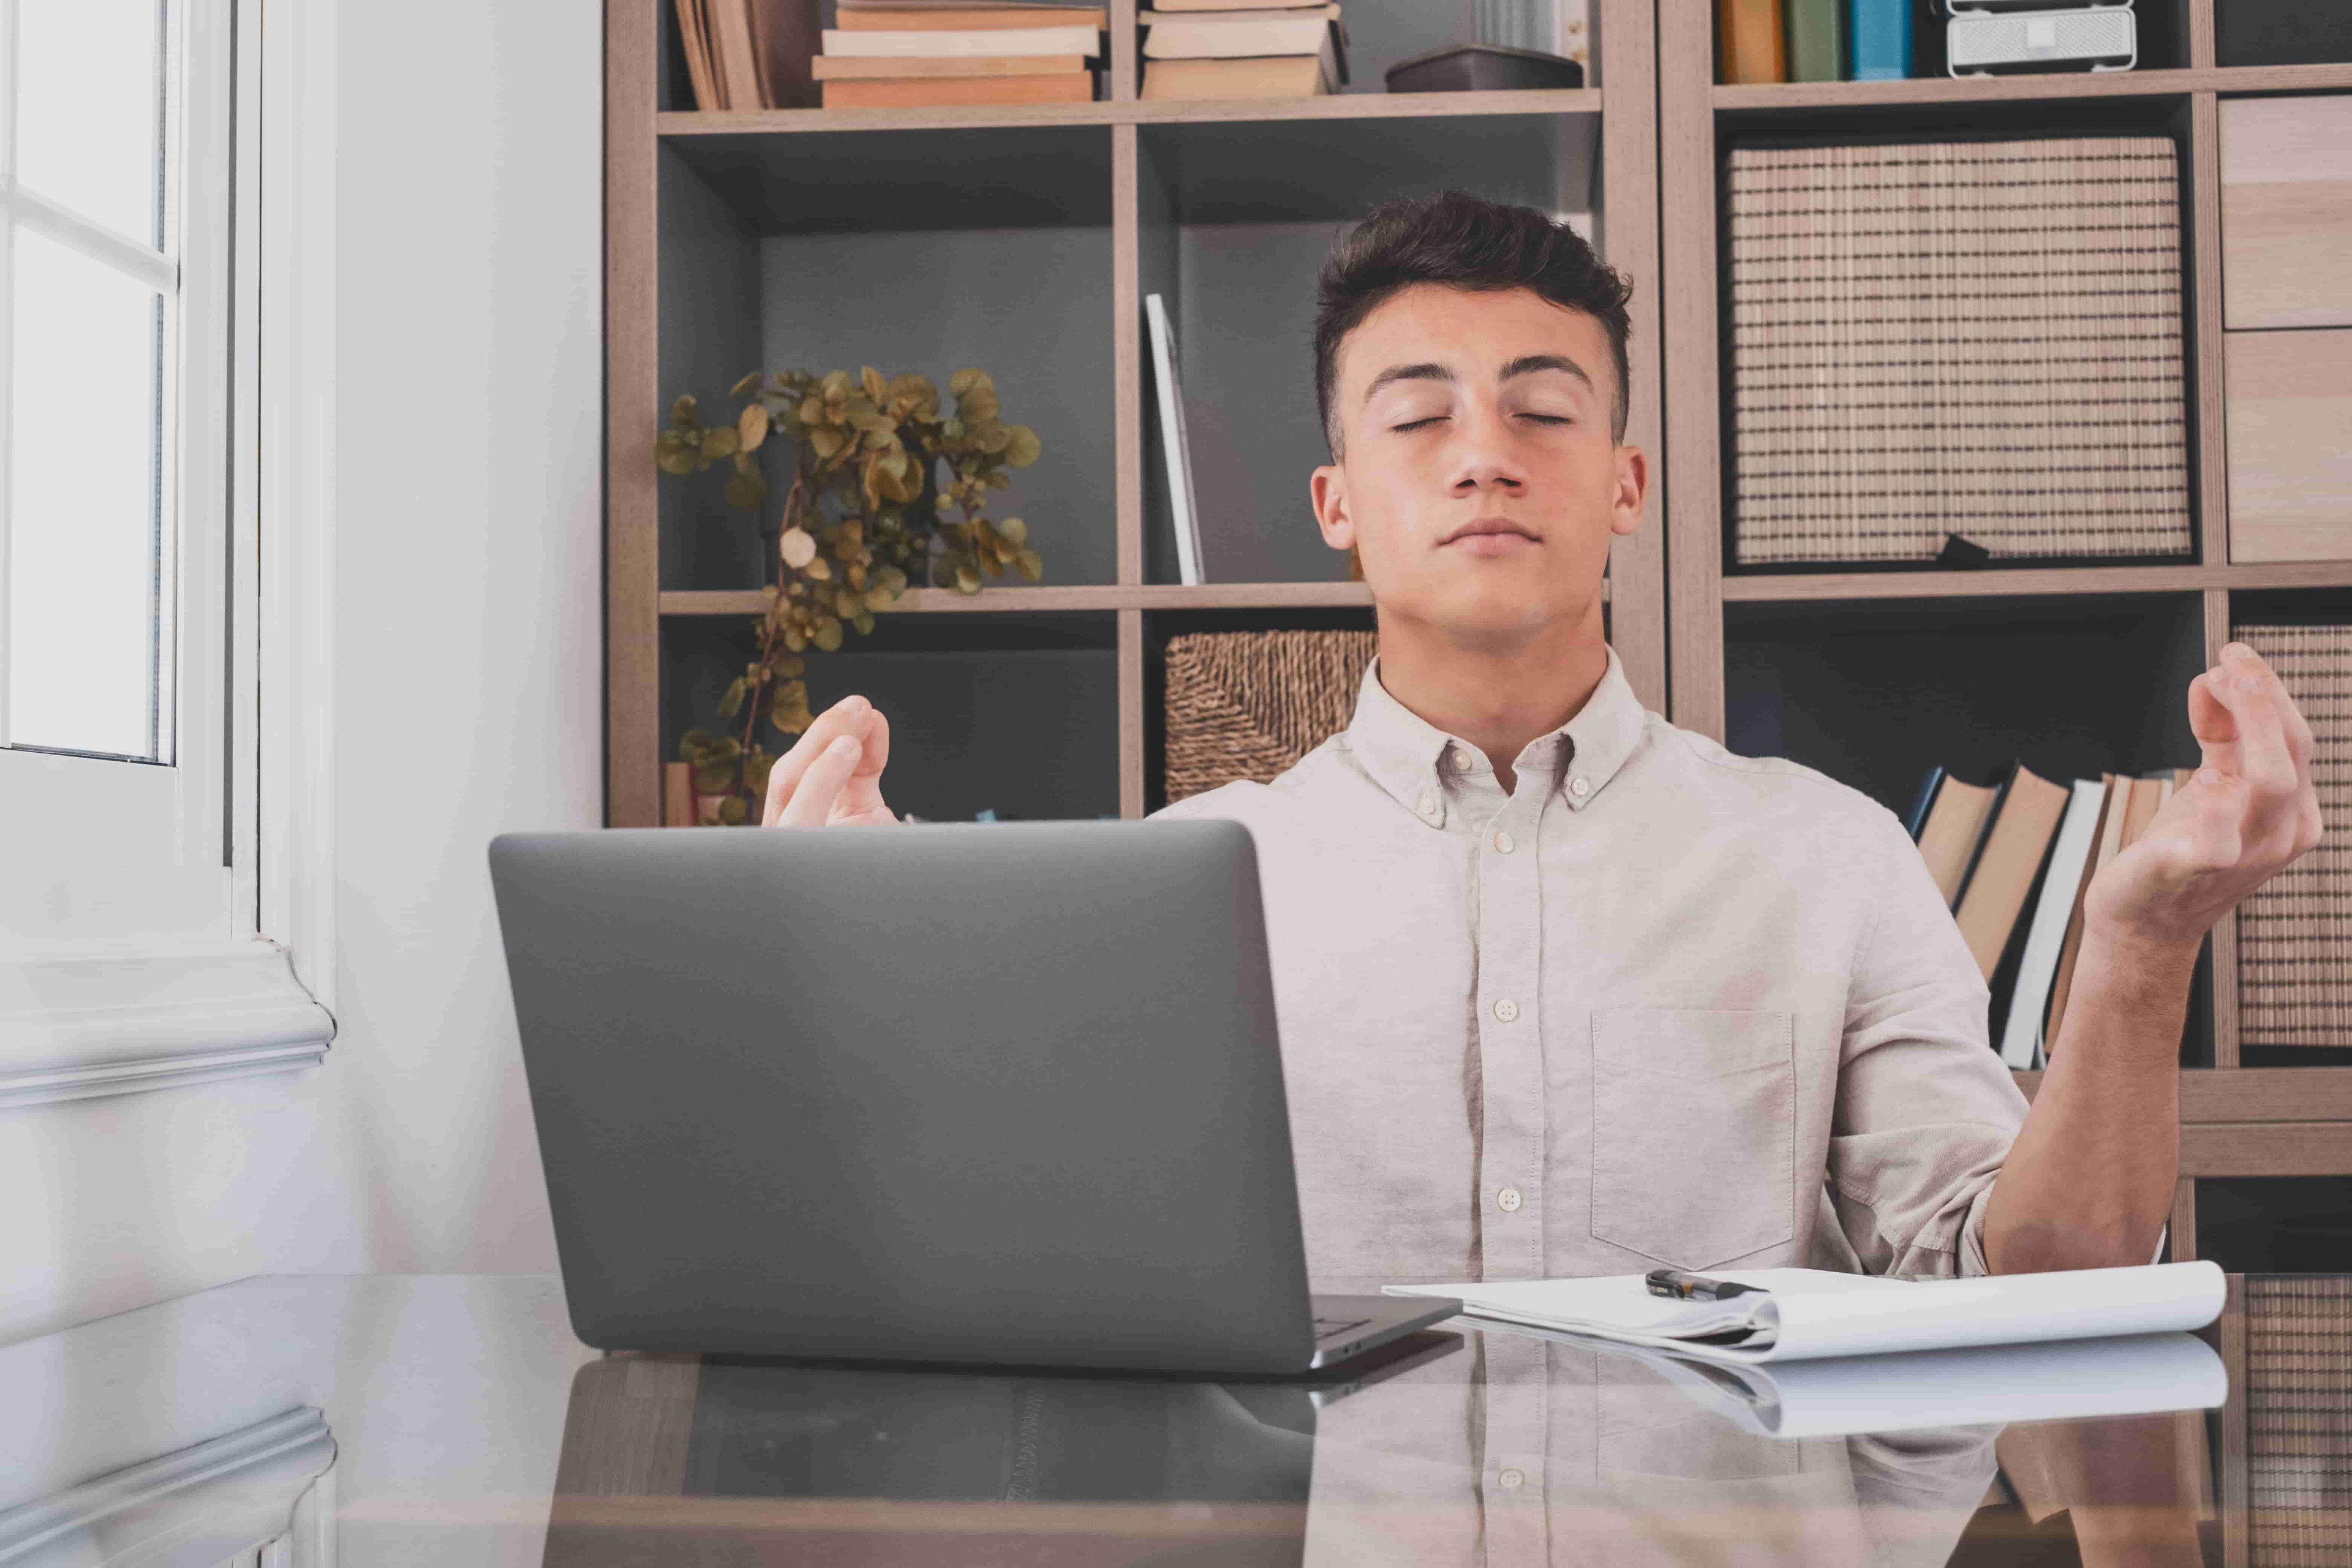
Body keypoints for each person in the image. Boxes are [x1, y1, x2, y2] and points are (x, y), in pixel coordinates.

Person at [755, 190, 2323, 1293]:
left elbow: (2034, 1273)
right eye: (1419, 415)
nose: (1486, 455)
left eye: (1543, 409)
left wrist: (2141, 942)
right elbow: (1020, 1256)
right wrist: (891, 971)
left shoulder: (1827, 854)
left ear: (1626, 486)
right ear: (1338, 508)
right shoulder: (1189, 879)